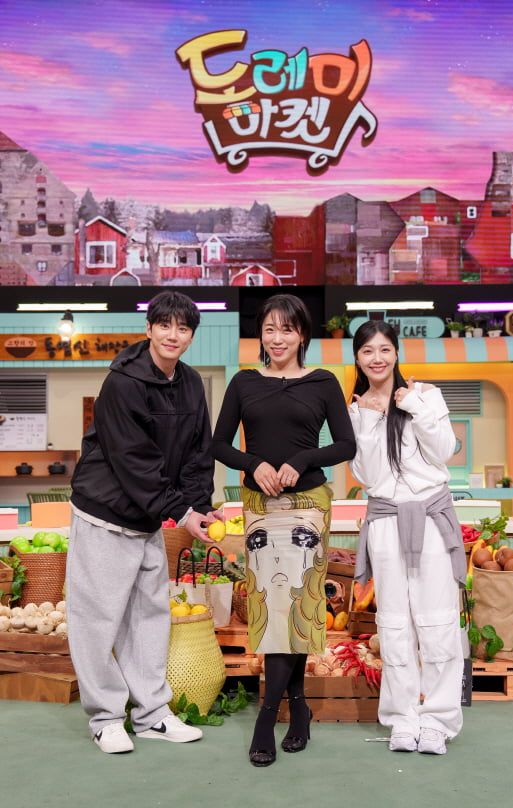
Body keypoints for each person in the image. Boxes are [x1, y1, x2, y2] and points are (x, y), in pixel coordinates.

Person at [67, 291, 220, 754]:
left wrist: (200, 505)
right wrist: (182, 512)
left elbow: (198, 453)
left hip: (147, 519)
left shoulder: (190, 383)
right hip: (105, 513)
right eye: (165, 325)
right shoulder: (123, 383)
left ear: (191, 336)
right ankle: (105, 718)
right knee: (98, 620)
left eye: (183, 328)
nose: (173, 335)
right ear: (149, 329)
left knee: (150, 617)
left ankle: (152, 714)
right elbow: (134, 462)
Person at [212, 293, 355, 766]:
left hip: (308, 507)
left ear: (302, 335)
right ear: (260, 334)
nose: (277, 338)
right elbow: (219, 445)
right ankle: (298, 708)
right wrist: (254, 464)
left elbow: (346, 445)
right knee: (272, 607)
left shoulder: (323, 381)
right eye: (269, 329)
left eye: (287, 329)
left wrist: (303, 459)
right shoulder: (244, 382)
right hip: (260, 506)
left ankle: (266, 716)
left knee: (299, 604)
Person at [348, 320, 466, 755]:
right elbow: (367, 475)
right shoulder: (356, 409)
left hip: (431, 520)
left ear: (396, 352)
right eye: (367, 351)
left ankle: (438, 720)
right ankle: (402, 718)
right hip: (385, 522)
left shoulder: (426, 394)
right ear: (357, 358)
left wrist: (413, 405)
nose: (377, 358)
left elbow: (444, 450)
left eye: (384, 349)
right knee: (394, 624)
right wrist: (368, 418)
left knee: (437, 620)